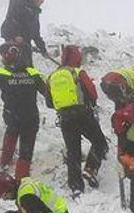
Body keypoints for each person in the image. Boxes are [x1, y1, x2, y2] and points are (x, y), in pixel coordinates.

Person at [0, 43, 47, 180]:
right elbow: (48, 92)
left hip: (13, 116)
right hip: (31, 117)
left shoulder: (3, 74)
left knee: (11, 134)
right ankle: (20, 178)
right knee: (26, 150)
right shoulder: (33, 73)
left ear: (7, 56)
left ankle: (4, 164)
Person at [46, 45, 107, 195]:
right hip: (83, 114)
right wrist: (90, 103)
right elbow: (93, 94)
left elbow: (49, 102)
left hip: (65, 118)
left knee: (73, 152)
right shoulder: (78, 72)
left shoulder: (52, 76)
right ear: (77, 57)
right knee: (100, 143)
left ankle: (76, 187)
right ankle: (90, 169)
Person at [0, 0, 46, 68]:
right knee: (16, 62)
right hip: (13, 38)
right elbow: (13, 19)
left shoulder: (34, 11)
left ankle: (29, 75)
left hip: (25, 40)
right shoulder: (19, 4)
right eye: (41, 0)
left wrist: (43, 49)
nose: (42, 2)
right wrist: (16, 35)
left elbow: (36, 34)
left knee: (28, 64)